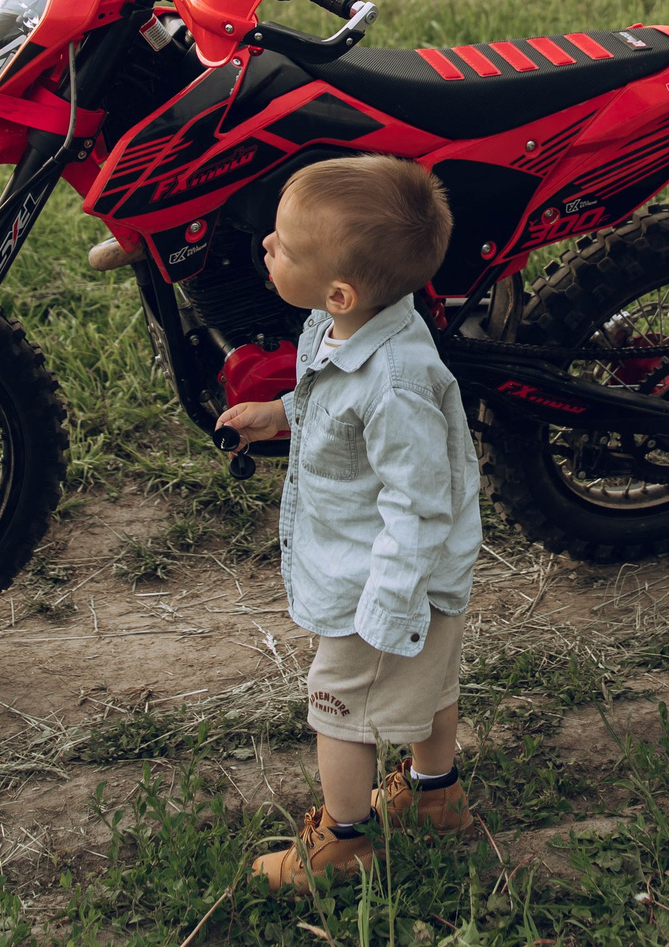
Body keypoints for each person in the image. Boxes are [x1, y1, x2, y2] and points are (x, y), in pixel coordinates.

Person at [216, 155, 481, 888]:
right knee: (430, 683)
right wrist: (280, 414)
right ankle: (436, 796)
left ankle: (345, 841)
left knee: (337, 707)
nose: (267, 247)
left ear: (340, 288)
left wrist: (387, 605)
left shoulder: (396, 382)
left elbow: (418, 502)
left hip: (385, 580)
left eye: (284, 245)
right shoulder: (340, 327)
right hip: (393, 566)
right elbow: (333, 409)